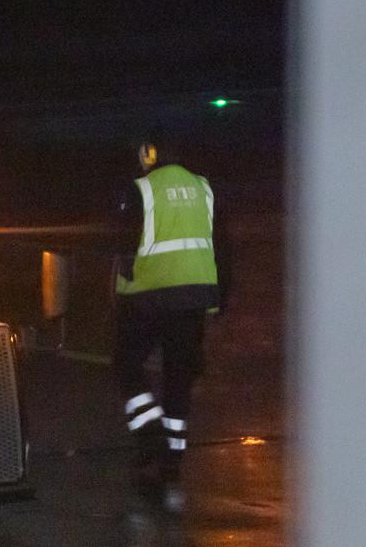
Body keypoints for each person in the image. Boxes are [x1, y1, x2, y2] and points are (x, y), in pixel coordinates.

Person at [113, 129, 226, 513]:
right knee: (179, 376)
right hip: (195, 297)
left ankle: (151, 438)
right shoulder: (204, 188)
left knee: (126, 363)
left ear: (149, 153)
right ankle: (172, 460)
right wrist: (217, 300)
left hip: (149, 296)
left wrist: (120, 294)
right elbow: (221, 246)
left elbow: (125, 249)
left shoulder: (140, 189)